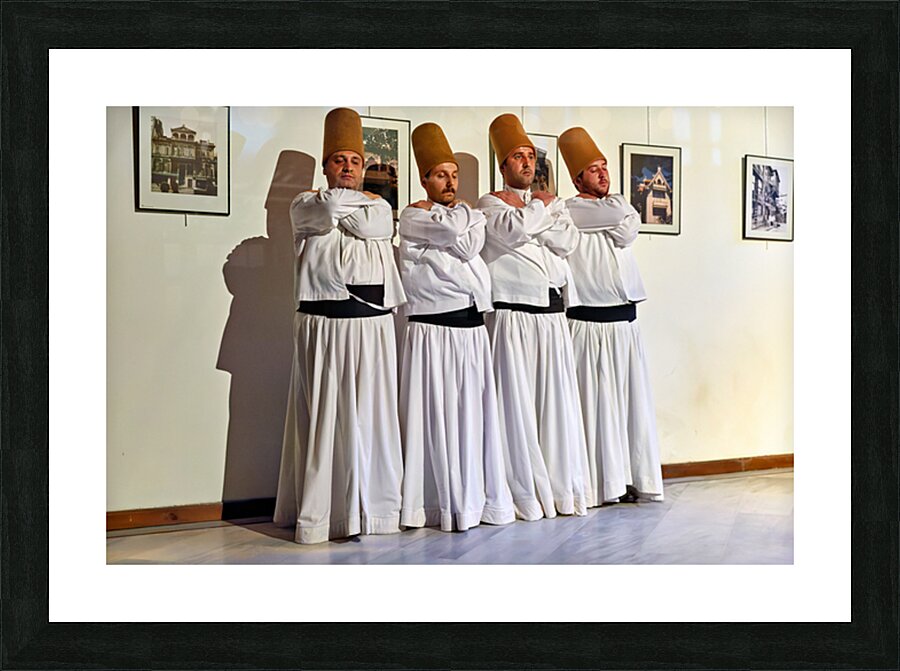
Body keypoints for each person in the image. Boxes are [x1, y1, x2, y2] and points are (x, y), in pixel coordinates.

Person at [273, 107, 407, 544]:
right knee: (327, 416)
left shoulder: (380, 207)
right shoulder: (303, 203)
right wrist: (343, 207)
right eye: (338, 161)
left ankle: (376, 511)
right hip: (325, 324)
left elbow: (375, 222)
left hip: (373, 326)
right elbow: (327, 208)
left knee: (372, 418)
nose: (347, 168)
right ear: (325, 165)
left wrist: (346, 210)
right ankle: (324, 516)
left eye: (354, 161)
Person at [397, 122, 515, 532]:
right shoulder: (412, 215)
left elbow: (466, 244)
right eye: (441, 175)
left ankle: (476, 499)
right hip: (433, 329)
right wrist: (462, 219)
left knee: (473, 415)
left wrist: (463, 218)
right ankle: (437, 502)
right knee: (437, 415)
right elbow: (451, 232)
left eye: (454, 175)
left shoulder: (470, 215)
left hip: (471, 327)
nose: (449, 182)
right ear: (424, 179)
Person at [476, 113, 592, 520]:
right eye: (518, 158)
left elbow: (567, 240)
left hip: (552, 316)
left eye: (530, 156)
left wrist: (536, 214)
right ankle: (524, 493)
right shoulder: (489, 202)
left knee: (556, 406)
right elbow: (509, 233)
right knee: (517, 407)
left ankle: (562, 491)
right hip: (513, 316)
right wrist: (538, 216)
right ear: (503, 165)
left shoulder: (551, 204)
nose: (527, 163)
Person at [558, 126, 664, 504]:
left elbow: (626, 228)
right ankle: (599, 485)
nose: (603, 174)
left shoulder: (613, 206)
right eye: (593, 169)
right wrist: (618, 213)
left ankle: (630, 478)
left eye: (604, 167)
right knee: (594, 408)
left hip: (625, 322)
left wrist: (619, 213)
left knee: (628, 406)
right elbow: (621, 216)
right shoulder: (570, 210)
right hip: (588, 322)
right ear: (577, 179)